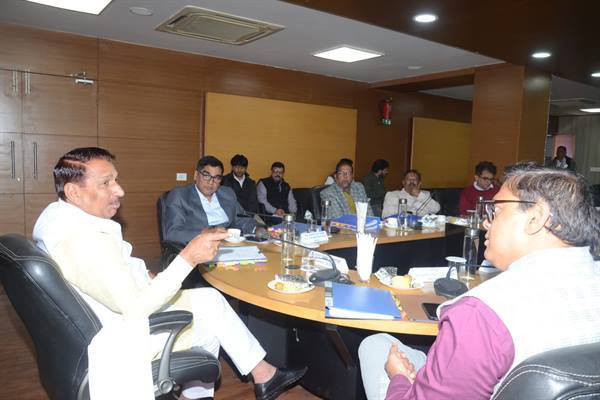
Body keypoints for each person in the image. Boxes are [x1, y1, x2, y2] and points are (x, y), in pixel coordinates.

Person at [32, 147, 307, 400]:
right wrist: (188, 257)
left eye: (116, 180)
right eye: (106, 183)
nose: (120, 191)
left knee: (210, 299)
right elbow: (135, 308)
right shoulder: (82, 240)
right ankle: (227, 386)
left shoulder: (64, 220)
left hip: (122, 308)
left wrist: (145, 274)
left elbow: (113, 271)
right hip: (124, 334)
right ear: (74, 192)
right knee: (210, 321)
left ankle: (262, 375)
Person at [359, 163, 600, 400]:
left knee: (375, 348)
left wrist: (399, 378)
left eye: (496, 211)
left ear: (535, 218)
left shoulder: (480, 313)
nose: (485, 223)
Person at [164, 155, 263, 245]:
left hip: (230, 244)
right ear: (196, 175)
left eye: (217, 178)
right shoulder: (180, 195)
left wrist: (257, 229)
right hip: (200, 247)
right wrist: (206, 233)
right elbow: (173, 233)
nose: (211, 182)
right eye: (206, 175)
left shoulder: (227, 193)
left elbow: (240, 218)